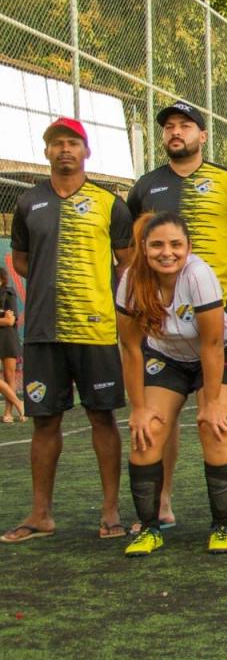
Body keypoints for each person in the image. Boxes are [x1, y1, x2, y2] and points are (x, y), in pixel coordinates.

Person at [126, 101, 227, 531]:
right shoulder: (146, 185)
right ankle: (161, 503)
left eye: (185, 125)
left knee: (220, 417)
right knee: (157, 419)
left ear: (202, 135)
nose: (175, 132)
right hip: (165, 323)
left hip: (217, 319)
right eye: (168, 126)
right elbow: (132, 248)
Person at [2, 117, 131, 544]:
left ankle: (111, 512)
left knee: (102, 415)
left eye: (73, 143)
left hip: (95, 330)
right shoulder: (28, 203)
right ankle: (41, 515)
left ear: (86, 152)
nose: (64, 150)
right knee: (44, 421)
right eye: (57, 143)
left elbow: (126, 259)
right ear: (46, 152)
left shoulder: (109, 203)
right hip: (42, 331)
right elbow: (20, 259)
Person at [116, 212, 227, 555]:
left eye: (176, 244)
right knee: (147, 433)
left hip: (216, 354)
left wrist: (214, 401)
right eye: (157, 244)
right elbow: (130, 348)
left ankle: (221, 525)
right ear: (144, 248)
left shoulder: (198, 275)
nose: (166, 252)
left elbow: (213, 343)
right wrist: (139, 409)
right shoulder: (131, 279)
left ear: (188, 247)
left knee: (213, 426)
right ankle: (149, 528)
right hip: (167, 358)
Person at [0, 267, 25, 422]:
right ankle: (19, 403)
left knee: (10, 376)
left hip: (8, 338)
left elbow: (11, 320)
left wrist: (5, 319)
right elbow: (5, 319)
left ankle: (9, 413)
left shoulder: (8, 293)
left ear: (2, 279)